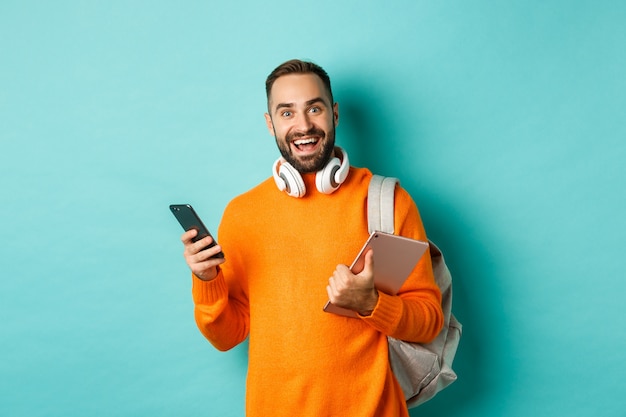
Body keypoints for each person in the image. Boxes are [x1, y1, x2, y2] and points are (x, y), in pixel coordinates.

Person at [180, 59, 444, 417]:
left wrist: (370, 303)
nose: (303, 126)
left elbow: (429, 320)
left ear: (334, 114)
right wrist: (206, 280)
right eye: (286, 113)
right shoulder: (243, 213)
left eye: (314, 109)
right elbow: (227, 336)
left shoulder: (387, 202)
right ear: (270, 123)